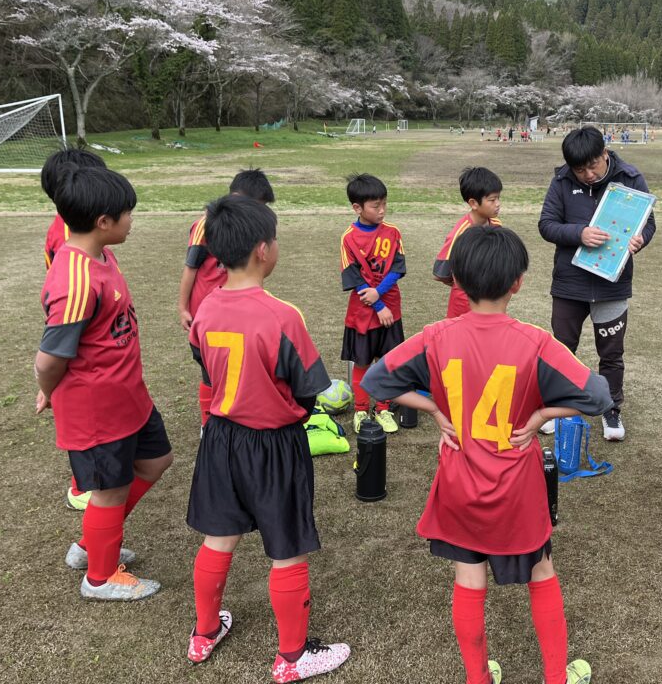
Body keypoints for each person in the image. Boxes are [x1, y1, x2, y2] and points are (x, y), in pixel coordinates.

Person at [361, 226, 609, 684]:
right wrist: (539, 417)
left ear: (457, 280)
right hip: (517, 485)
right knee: (541, 570)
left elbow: (375, 382)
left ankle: (478, 676)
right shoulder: (534, 341)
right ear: (518, 282)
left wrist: (435, 409)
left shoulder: (436, 336)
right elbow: (598, 395)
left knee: (468, 578)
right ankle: (557, 675)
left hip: (459, 482)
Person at [185, 195, 350, 680]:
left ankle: (205, 631)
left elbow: (205, 366)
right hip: (275, 445)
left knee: (220, 538)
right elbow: (313, 388)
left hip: (219, 438)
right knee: (287, 548)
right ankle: (294, 657)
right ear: (263, 249)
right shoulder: (282, 316)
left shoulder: (207, 308)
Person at [36, 164, 172, 600]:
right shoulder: (73, 278)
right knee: (110, 490)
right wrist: (48, 388)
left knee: (156, 461)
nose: (132, 220)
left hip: (127, 393)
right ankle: (99, 577)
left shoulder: (102, 254)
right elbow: (50, 357)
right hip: (97, 409)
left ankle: (92, 543)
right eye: (127, 213)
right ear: (103, 222)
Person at [538, 126, 655, 441]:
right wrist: (579, 234)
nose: (588, 174)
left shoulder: (630, 178)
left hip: (611, 285)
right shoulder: (562, 181)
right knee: (563, 349)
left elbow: (649, 221)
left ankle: (611, 408)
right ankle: (558, 406)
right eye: (580, 170)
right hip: (570, 284)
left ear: (605, 154)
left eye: (593, 165)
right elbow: (546, 224)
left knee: (611, 353)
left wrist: (641, 239)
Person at [178, 169, 275, 425]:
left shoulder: (246, 225)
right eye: (258, 206)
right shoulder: (207, 223)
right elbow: (191, 267)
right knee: (211, 374)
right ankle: (207, 423)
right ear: (238, 197)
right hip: (208, 313)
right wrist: (183, 307)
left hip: (237, 308)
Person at [40, 148, 108, 511]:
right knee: (83, 414)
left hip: (80, 325)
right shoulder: (69, 236)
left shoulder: (75, 228)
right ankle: (83, 484)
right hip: (76, 335)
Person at [340, 173, 406, 433]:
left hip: (391, 308)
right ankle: (360, 411)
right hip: (362, 312)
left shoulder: (393, 232)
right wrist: (377, 305)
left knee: (388, 361)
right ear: (357, 207)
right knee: (363, 362)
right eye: (375, 206)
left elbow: (398, 268)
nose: (382, 210)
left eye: (384, 204)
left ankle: (383, 409)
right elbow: (353, 277)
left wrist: (380, 295)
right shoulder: (348, 237)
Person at [434, 166, 502, 318]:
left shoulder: (497, 225)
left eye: (498, 198)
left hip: (491, 300)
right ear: (473, 203)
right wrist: (463, 282)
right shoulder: (460, 234)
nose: (497, 203)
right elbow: (440, 273)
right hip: (463, 305)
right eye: (492, 200)